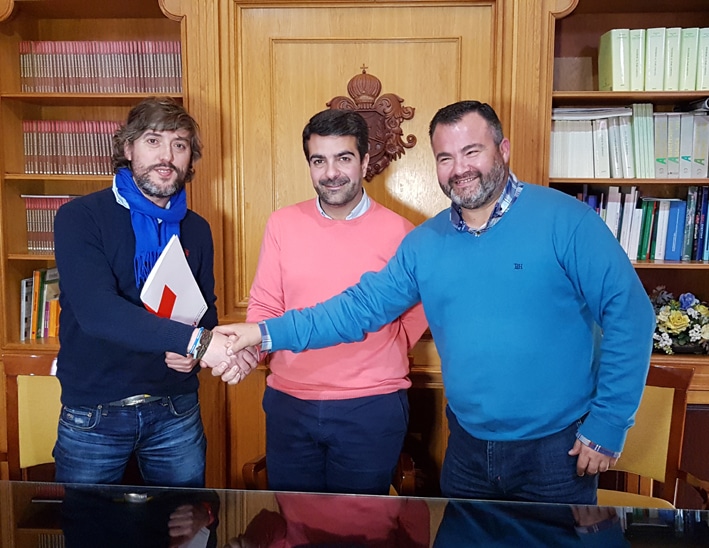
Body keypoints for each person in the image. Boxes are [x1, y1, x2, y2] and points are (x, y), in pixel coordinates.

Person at [213, 100, 655, 504]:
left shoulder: (568, 220)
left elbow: (630, 316)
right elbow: (358, 308)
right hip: (466, 448)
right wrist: (264, 332)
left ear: (503, 150)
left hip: (557, 449)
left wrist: (609, 423)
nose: (459, 168)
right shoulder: (425, 243)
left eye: (472, 151)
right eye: (446, 158)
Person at [53, 96, 249, 487]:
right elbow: (97, 312)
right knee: (92, 532)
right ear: (127, 148)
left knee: (185, 530)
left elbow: (203, 313)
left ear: (190, 158)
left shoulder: (197, 229)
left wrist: (194, 351)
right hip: (94, 414)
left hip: (175, 411)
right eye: (153, 141)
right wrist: (195, 342)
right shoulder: (80, 217)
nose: (167, 156)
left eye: (179, 145)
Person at [240, 109, 427, 495]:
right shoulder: (282, 224)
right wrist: (247, 353)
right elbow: (263, 306)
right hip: (290, 403)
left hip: (370, 408)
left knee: (358, 530)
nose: (331, 173)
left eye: (343, 158)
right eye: (318, 160)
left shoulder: (402, 233)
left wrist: (373, 352)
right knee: (294, 522)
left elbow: (414, 317)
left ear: (364, 161)